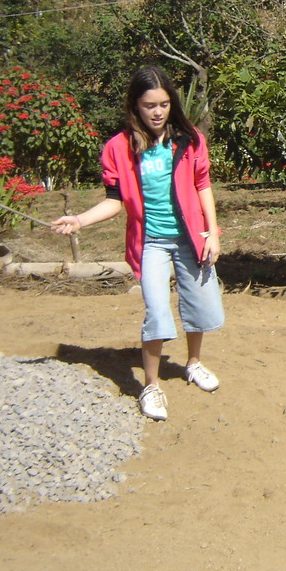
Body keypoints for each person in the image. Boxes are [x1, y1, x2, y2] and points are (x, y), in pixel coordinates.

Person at [52, 66, 224, 421]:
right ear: (136, 106)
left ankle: (193, 363)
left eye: (163, 104)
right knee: (157, 313)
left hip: (192, 239)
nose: (158, 112)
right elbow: (115, 199)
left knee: (199, 306)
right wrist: (80, 220)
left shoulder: (188, 139)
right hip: (151, 244)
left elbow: (202, 185)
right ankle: (151, 385)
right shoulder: (119, 147)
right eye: (149, 105)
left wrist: (212, 231)